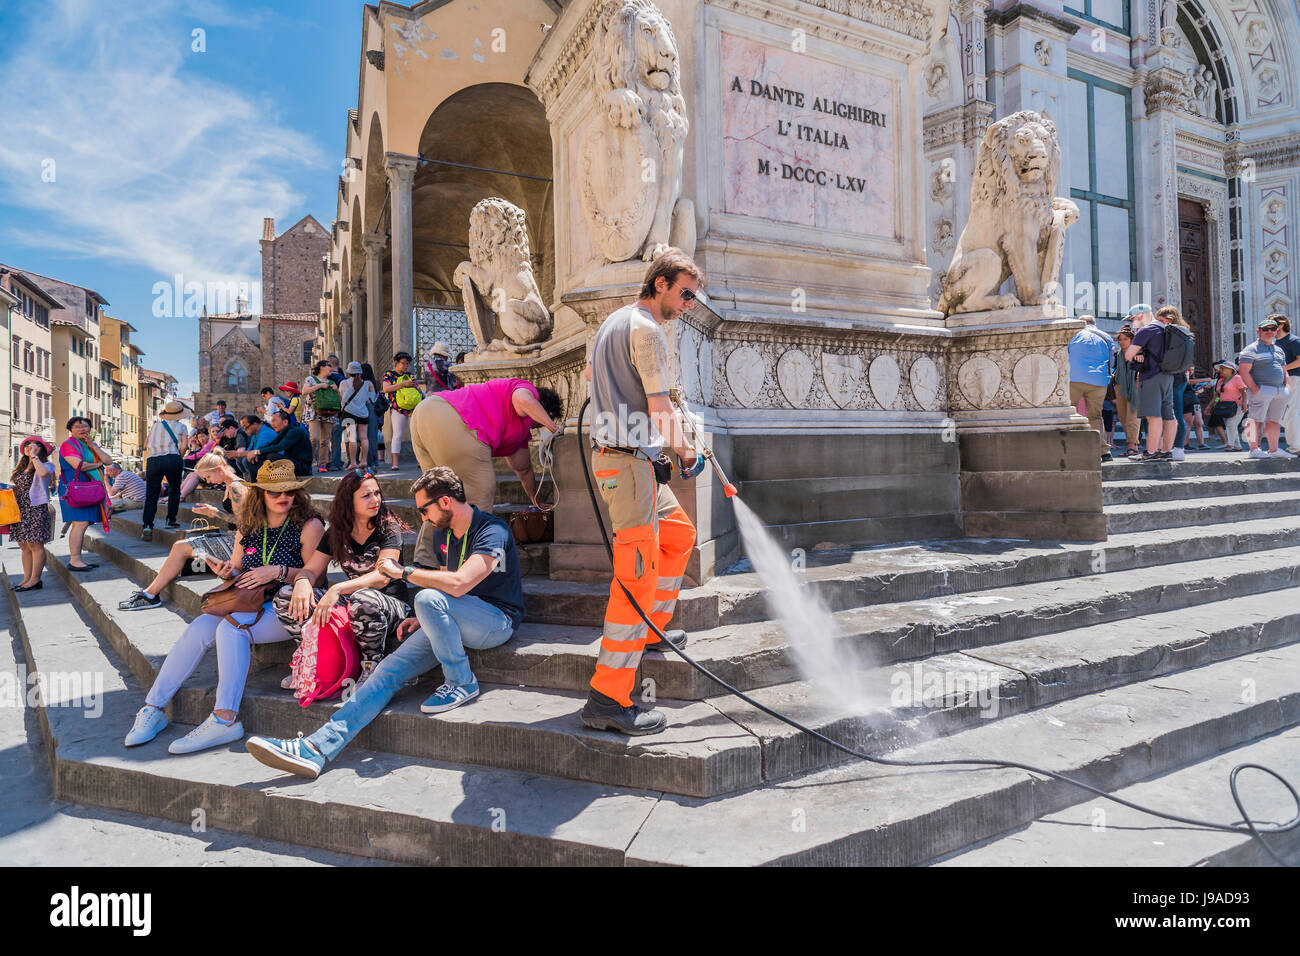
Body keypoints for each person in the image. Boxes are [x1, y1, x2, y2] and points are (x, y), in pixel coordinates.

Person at [244, 466, 522, 779]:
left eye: (424, 509)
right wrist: (425, 618)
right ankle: (317, 748)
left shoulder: (492, 530)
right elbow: (446, 586)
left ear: (445, 502)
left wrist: (402, 572)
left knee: (427, 598)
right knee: (387, 670)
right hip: (454, 618)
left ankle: (461, 682)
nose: (422, 517)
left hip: (496, 620)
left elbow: (458, 584)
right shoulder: (445, 534)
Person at [122, 459, 323, 754]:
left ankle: (225, 719)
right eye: (274, 492)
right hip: (251, 601)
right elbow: (239, 570)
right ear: (260, 494)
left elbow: (314, 575)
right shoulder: (249, 525)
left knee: (232, 629)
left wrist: (277, 571)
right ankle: (153, 708)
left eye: (290, 491)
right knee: (200, 627)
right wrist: (227, 573)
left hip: (290, 606)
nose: (284, 497)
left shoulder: (310, 525)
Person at [581, 249, 701, 735]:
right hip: (629, 465)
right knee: (635, 576)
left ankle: (651, 628)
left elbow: (594, 382)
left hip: (629, 460)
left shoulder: (613, 323)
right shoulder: (649, 330)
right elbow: (658, 405)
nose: (691, 304)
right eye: (686, 293)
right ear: (660, 285)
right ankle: (608, 698)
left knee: (678, 535)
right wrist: (685, 452)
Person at [272, 470, 412, 682]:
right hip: (353, 600)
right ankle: (312, 657)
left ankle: (372, 664)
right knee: (286, 595)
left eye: (377, 493)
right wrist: (302, 581)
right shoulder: (336, 533)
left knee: (361, 598)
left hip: (390, 606)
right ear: (349, 501)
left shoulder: (388, 526)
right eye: (366, 496)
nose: (375, 500)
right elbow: (311, 570)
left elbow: (382, 576)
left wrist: (336, 589)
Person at [118, 451, 248, 611]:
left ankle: (150, 595)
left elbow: (246, 524)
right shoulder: (232, 484)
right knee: (181, 546)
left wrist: (215, 513)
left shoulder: (237, 487)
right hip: (235, 539)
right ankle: (150, 594)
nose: (208, 482)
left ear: (219, 469)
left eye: (208, 477)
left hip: (241, 545)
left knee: (180, 547)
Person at [409, 377, 563, 511]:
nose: (538, 427)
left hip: (424, 411)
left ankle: (429, 545)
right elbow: (523, 400)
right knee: (480, 493)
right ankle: (477, 544)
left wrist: (536, 501)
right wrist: (554, 428)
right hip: (452, 416)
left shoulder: (519, 433)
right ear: (545, 410)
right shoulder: (526, 389)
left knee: (438, 499)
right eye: (541, 423)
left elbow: (524, 470)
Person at [58, 415, 113, 569]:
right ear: (71, 430)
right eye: (77, 427)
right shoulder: (68, 445)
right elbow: (80, 465)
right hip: (75, 489)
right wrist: (98, 464)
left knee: (83, 523)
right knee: (80, 523)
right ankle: (74, 560)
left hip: (89, 489)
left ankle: (78, 559)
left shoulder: (91, 444)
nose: (82, 429)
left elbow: (109, 461)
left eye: (85, 426)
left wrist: (94, 447)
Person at [1238, 316, 1295, 459]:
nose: (1269, 331)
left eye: (1272, 329)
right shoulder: (1251, 349)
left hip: (1279, 390)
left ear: (1277, 331)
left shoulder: (1279, 350)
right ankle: (1253, 449)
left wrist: (1287, 386)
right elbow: (1244, 372)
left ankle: (1274, 449)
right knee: (1254, 419)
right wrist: (1255, 389)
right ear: (1259, 331)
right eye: (1265, 329)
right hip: (1262, 389)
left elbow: (1284, 370)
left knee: (1274, 420)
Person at [1125, 303, 1176, 462]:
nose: (1132, 322)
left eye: (1132, 318)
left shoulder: (1146, 330)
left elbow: (1128, 355)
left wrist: (1135, 352)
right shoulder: (1166, 329)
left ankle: (1151, 452)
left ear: (1140, 316)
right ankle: (1167, 451)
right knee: (1169, 415)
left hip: (1151, 376)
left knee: (1153, 415)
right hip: (1168, 376)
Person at [1068, 314, 1116, 463]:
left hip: (1074, 378)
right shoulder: (1106, 337)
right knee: (1095, 416)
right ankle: (1103, 452)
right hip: (1099, 381)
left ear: (1081, 322)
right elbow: (1112, 361)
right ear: (1094, 323)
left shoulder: (1073, 334)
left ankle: (1069, 448)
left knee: (1067, 413)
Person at [140, 400, 189, 542]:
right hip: (172, 458)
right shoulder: (181, 426)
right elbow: (184, 445)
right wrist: (179, 456)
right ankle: (170, 520)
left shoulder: (155, 426)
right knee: (174, 490)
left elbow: (145, 445)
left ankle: (147, 526)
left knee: (151, 495)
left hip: (153, 460)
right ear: (179, 414)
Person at [10, 436, 54, 591]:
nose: (30, 446)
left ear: (41, 449)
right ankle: (26, 578)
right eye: (27, 444)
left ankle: (35, 579)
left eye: (34, 445)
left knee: (35, 544)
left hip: (35, 508)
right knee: (23, 545)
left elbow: (42, 474)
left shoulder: (47, 465)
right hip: (20, 508)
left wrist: (34, 456)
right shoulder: (22, 467)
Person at [381, 352, 423, 471]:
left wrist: (415, 386)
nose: (405, 366)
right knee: (397, 435)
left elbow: (419, 390)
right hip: (397, 408)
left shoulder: (410, 375)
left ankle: (420, 460)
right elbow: (386, 389)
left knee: (416, 435)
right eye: (403, 363)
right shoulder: (389, 374)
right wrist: (403, 384)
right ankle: (395, 463)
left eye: (407, 364)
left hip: (411, 407)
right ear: (396, 363)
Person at [249, 408, 313, 476]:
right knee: (261, 455)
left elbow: (280, 447)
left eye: (274, 421)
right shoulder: (284, 432)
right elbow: (271, 444)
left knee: (271, 457)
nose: (272, 424)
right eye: (272, 421)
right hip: (292, 463)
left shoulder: (295, 431)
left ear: (285, 422)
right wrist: (257, 453)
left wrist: (257, 452)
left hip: (303, 467)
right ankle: (262, 477)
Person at [303, 360, 338, 474]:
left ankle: (322, 464)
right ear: (322, 367)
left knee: (325, 440)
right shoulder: (311, 379)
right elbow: (304, 391)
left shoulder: (332, 382)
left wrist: (337, 391)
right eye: (329, 366)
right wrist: (319, 386)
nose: (331, 369)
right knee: (314, 438)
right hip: (314, 412)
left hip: (329, 412)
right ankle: (310, 460)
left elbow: (339, 399)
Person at [339, 361, 375, 469]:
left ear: (349, 372)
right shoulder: (368, 384)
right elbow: (371, 400)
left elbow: (342, 398)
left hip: (349, 413)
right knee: (364, 438)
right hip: (363, 413)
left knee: (352, 439)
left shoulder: (344, 383)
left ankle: (353, 463)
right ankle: (364, 461)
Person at [1203, 361, 1246, 450]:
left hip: (1238, 405)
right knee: (1232, 425)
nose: (1220, 370)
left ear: (1231, 370)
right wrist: (1211, 405)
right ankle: (1237, 446)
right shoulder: (1221, 380)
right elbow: (1219, 395)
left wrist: (1244, 404)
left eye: (1223, 368)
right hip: (1226, 406)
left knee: (1230, 424)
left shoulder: (1237, 378)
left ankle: (1230, 445)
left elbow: (1243, 392)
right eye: (1220, 368)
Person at [1112, 325, 1141, 456]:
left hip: (1135, 386)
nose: (1122, 342)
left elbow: (1143, 368)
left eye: (1125, 339)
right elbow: (1115, 371)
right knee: (1123, 417)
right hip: (1120, 387)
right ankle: (1133, 445)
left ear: (1131, 340)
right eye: (1120, 339)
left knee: (1132, 417)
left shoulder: (1138, 353)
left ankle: (1132, 446)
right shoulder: (1117, 355)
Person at [1273, 315, 1300, 449]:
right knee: (1280, 413)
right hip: (1280, 380)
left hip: (1294, 378)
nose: (1268, 329)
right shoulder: (1274, 343)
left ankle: (1296, 446)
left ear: (1281, 325)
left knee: (1291, 411)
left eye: (1271, 326)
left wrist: (1283, 368)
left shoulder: (1293, 341)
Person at [326, 355, 346, 470]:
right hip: (339, 413)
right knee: (336, 440)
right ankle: (335, 463)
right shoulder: (343, 380)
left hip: (324, 413)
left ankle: (325, 463)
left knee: (325, 440)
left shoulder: (323, 379)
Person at [361, 362, 382, 469]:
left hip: (368, 409)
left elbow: (371, 398)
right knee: (371, 436)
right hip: (373, 411)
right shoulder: (373, 382)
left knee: (368, 437)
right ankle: (373, 460)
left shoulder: (367, 383)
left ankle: (370, 461)